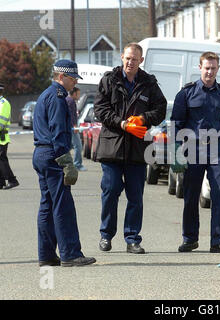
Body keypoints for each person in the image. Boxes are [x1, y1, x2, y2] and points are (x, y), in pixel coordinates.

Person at [94, 43, 167, 254]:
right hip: (112, 147)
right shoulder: (109, 80)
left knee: (135, 197)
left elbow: (160, 109)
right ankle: (106, 235)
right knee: (110, 192)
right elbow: (100, 109)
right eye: (127, 58)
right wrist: (121, 123)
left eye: (134, 59)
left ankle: (132, 238)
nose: (130, 62)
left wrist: (144, 118)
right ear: (121, 57)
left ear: (141, 61)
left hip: (137, 149)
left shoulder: (149, 84)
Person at [170, 51, 220, 253]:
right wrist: (175, 152)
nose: (209, 72)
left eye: (213, 68)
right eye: (206, 68)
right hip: (193, 148)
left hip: (217, 149)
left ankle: (217, 241)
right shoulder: (186, 94)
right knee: (191, 195)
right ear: (200, 68)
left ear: (218, 69)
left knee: (219, 194)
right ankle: (190, 238)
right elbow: (175, 124)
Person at [32, 59, 96, 267]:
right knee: (63, 206)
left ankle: (47, 254)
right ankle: (70, 253)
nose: (74, 84)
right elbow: (59, 132)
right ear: (61, 76)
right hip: (53, 155)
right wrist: (66, 161)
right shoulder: (59, 97)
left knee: (47, 206)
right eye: (72, 79)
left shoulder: (45, 95)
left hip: (41, 154)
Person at [66, 87, 86, 171]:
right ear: (74, 94)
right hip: (72, 127)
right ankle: (77, 164)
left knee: (68, 146)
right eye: (78, 94)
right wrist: (74, 125)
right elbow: (71, 115)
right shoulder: (70, 101)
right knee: (78, 146)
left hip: (70, 127)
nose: (79, 96)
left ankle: (65, 163)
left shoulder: (69, 100)